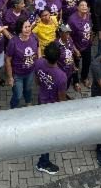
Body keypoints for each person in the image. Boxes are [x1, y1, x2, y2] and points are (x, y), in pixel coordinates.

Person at [33, 42, 67, 175]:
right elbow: (61, 98)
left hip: (41, 99)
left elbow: (37, 81)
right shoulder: (61, 76)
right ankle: (43, 163)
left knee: (44, 130)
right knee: (47, 136)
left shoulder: (39, 62)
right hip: (51, 109)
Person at [5, 17, 38, 109]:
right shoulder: (13, 42)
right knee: (18, 94)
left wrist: (38, 60)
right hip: (17, 75)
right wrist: (10, 77)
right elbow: (8, 60)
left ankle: (28, 102)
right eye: (25, 27)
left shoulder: (34, 37)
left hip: (30, 72)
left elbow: (38, 47)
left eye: (29, 26)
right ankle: (13, 107)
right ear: (20, 28)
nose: (28, 29)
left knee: (28, 89)